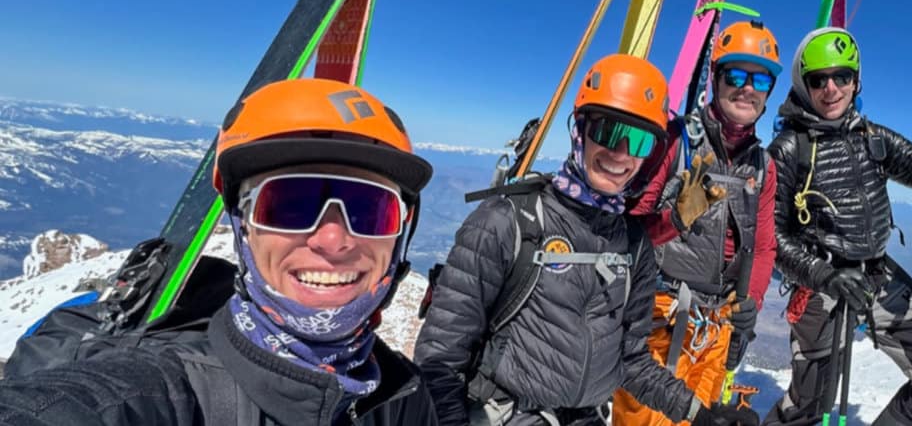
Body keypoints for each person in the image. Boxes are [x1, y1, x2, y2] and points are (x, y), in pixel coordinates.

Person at [0, 78, 439, 425]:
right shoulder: (161, 391)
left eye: (370, 210)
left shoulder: (404, 395)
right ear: (243, 226)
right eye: (290, 205)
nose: (332, 240)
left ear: (400, 233)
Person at [415, 53, 757, 426]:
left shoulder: (633, 245)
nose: (621, 154)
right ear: (579, 130)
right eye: (608, 131)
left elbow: (632, 362)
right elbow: (440, 358)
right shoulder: (508, 222)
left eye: (639, 141)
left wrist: (700, 414)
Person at [761, 28, 912, 426]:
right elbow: (771, 237)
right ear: (803, 85)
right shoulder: (790, 149)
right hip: (820, 288)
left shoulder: (871, 137)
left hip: (877, 277)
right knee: (809, 405)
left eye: (842, 76)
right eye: (819, 79)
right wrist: (825, 276)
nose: (831, 88)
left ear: (856, 80)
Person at [612, 21, 782, 425]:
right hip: (659, 318)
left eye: (760, 80)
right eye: (736, 76)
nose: (748, 88)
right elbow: (628, 233)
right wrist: (675, 219)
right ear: (715, 78)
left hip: (717, 328)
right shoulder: (676, 141)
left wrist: (750, 305)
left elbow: (763, 247)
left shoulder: (763, 166)